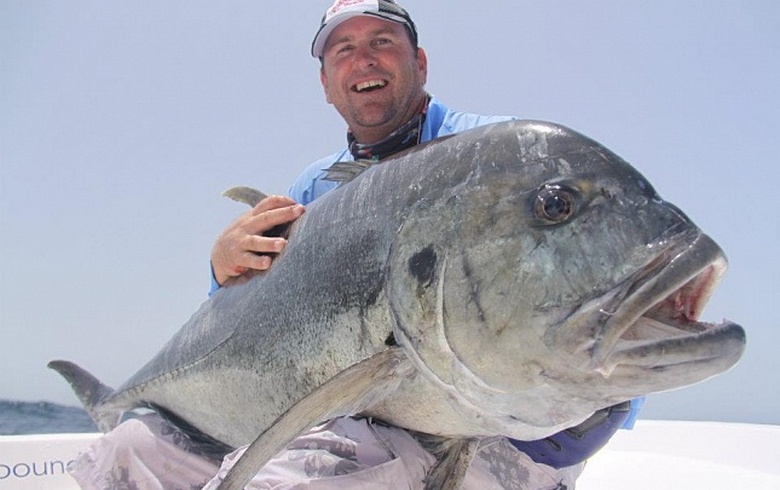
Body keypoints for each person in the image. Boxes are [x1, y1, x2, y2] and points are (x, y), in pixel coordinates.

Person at [72, 2, 641, 489]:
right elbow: (247, 322)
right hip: (343, 409)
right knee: (126, 453)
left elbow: (582, 285)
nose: (363, 58)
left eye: (381, 41)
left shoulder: (504, 162)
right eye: (341, 49)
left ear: (419, 61)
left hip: (486, 427)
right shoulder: (313, 189)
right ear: (325, 83)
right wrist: (221, 269)